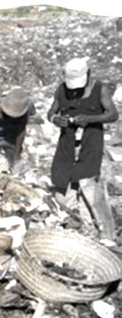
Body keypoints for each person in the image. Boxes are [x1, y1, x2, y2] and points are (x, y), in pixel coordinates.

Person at [47, 57, 119, 245]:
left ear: (88, 74)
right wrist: (56, 119)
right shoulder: (61, 89)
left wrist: (90, 118)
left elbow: (113, 114)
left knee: (90, 184)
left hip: (91, 141)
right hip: (67, 143)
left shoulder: (99, 89)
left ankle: (107, 234)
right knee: (62, 183)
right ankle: (84, 224)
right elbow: (51, 112)